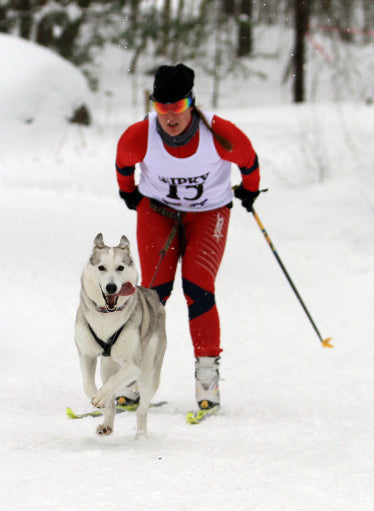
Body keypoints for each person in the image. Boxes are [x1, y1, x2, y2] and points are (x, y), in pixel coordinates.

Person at [114, 63, 261, 412]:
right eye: (160, 107)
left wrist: (250, 191)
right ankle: (132, 377)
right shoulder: (139, 135)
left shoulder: (220, 133)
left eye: (177, 107)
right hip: (158, 213)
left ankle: (207, 380)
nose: (169, 116)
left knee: (198, 287)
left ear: (191, 103)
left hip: (209, 214)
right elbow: (123, 165)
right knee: (152, 293)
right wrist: (129, 193)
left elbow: (249, 160)